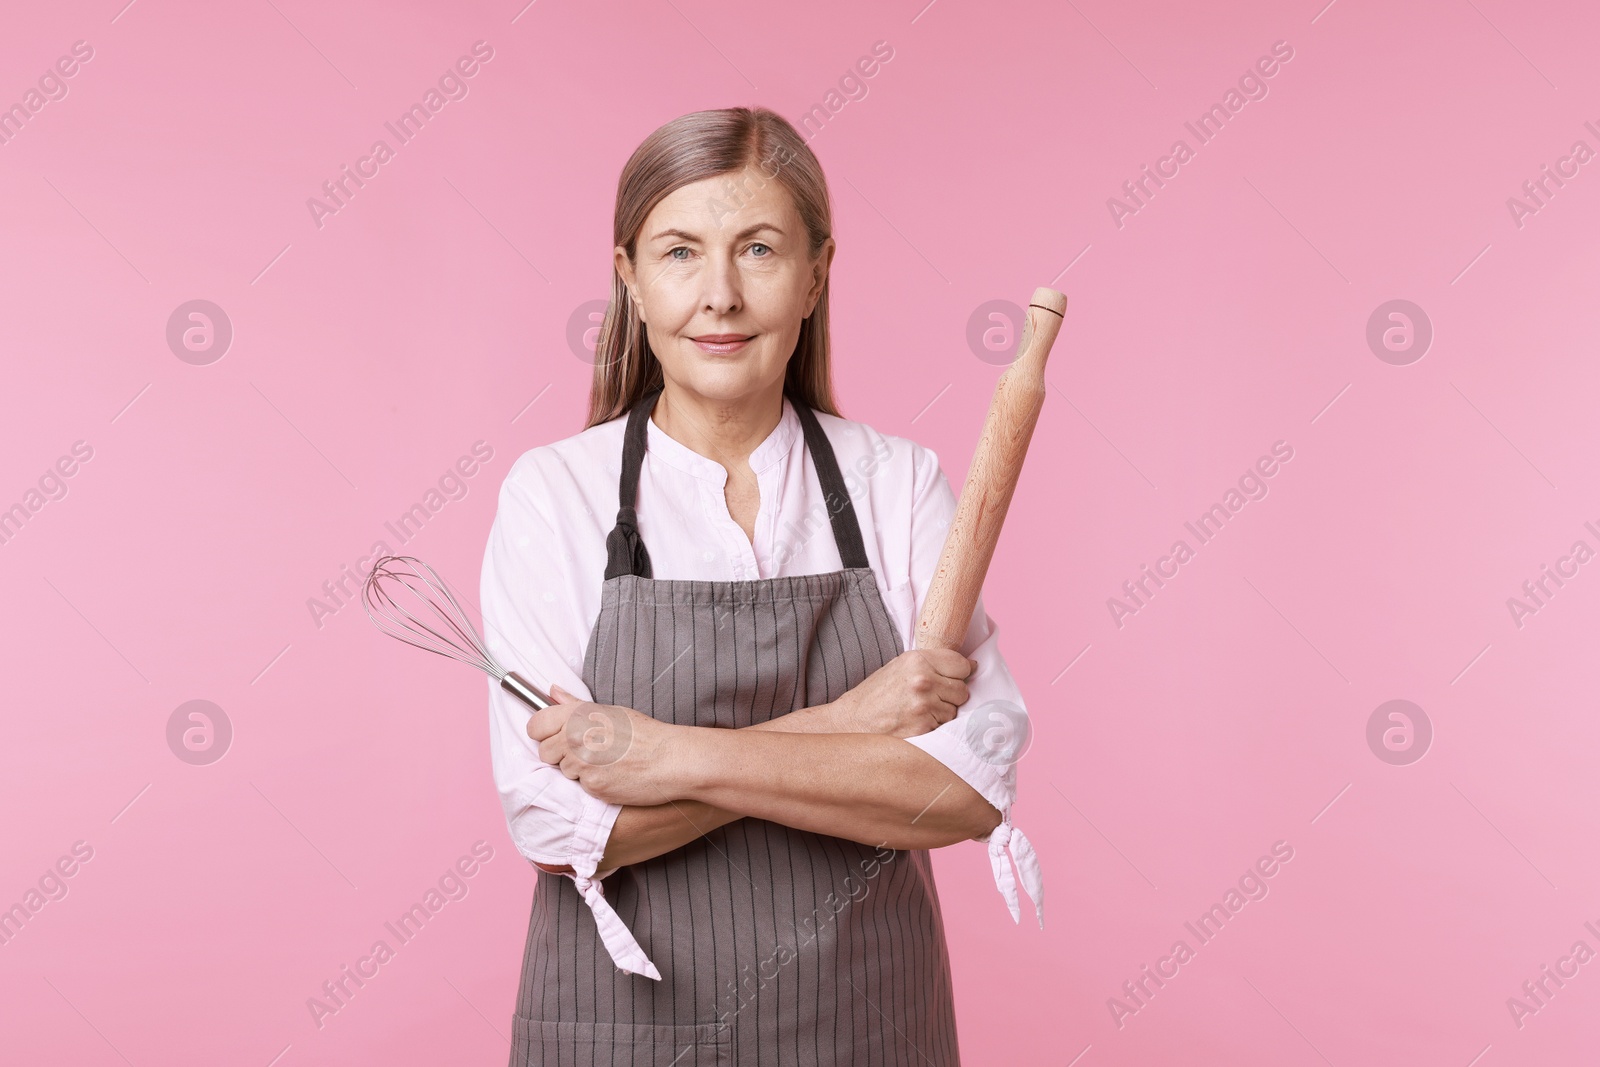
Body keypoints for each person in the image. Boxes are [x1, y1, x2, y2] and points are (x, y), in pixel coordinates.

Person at [480, 105, 1043, 1067]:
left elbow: (968, 783)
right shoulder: (554, 495)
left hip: (866, 1023)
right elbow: (558, 822)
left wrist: (664, 756)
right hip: (621, 1031)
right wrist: (852, 722)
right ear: (629, 278)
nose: (721, 294)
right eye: (681, 253)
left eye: (759, 249)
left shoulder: (896, 484)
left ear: (818, 273)